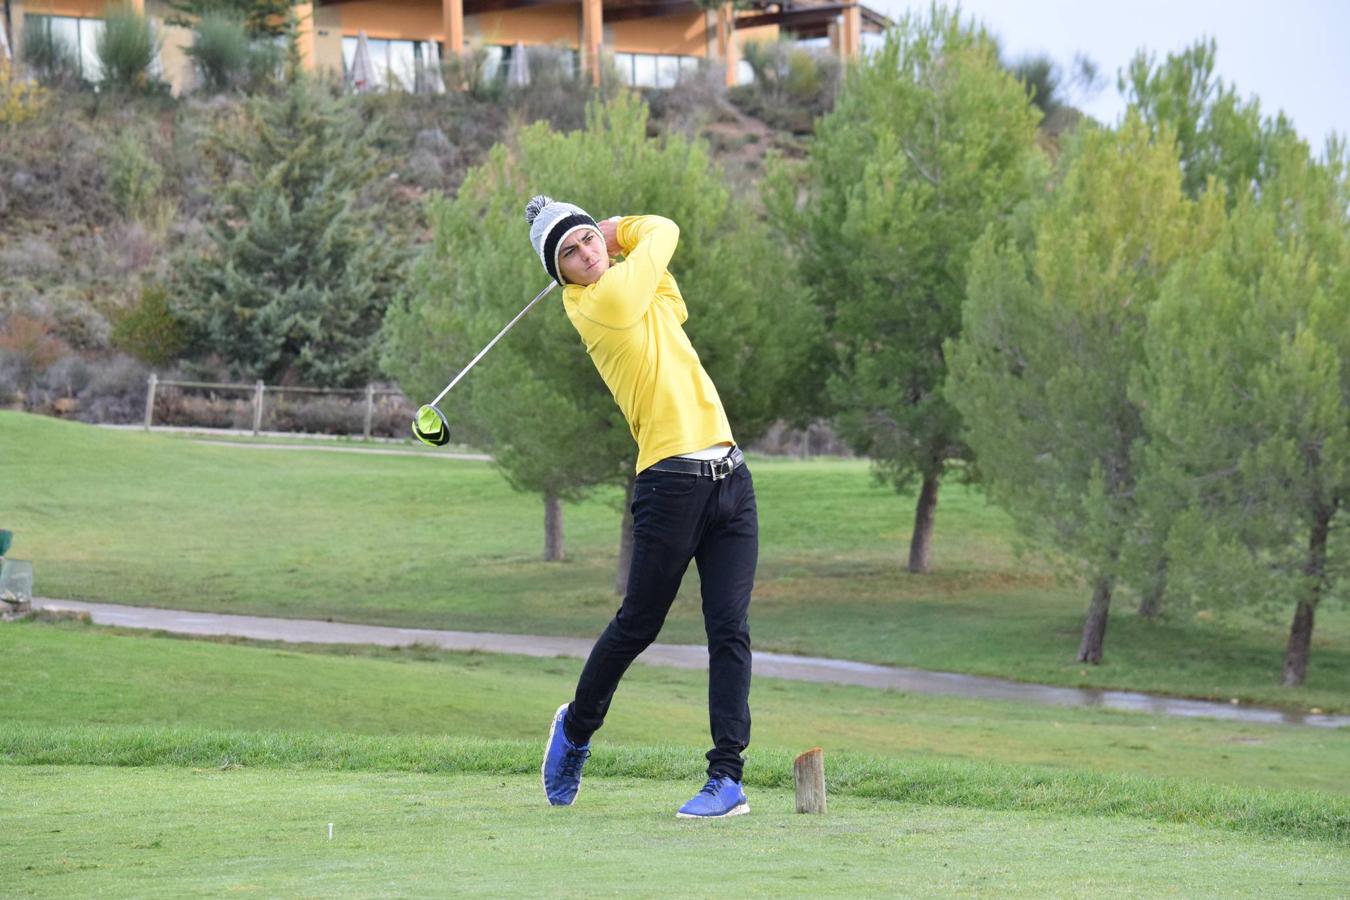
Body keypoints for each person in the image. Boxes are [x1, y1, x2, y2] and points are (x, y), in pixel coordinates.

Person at [525, 195, 758, 819]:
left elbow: (670, 300)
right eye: (570, 253)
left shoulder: (636, 291)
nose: (585, 253)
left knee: (729, 631)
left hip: (731, 477)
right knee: (639, 624)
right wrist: (616, 229)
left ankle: (727, 778)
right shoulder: (597, 303)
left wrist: (613, 243)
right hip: (671, 484)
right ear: (563, 278)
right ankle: (576, 727)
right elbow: (666, 227)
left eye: (586, 240)